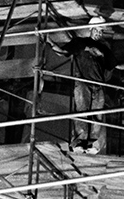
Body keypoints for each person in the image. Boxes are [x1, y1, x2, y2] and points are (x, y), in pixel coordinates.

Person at [49, 15, 115, 154]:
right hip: (83, 82)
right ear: (91, 29)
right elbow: (63, 52)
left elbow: (116, 66)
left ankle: (92, 143)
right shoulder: (80, 43)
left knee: (97, 115)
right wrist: (49, 41)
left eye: (101, 31)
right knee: (82, 112)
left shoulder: (104, 48)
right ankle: (79, 141)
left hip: (98, 84)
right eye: (97, 30)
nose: (99, 33)